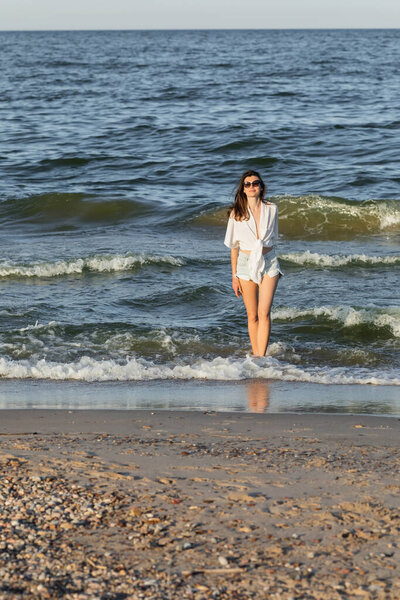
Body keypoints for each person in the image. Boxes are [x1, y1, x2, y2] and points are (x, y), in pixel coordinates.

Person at [224, 170, 283, 357]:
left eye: (255, 183)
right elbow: (233, 247)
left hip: (269, 261)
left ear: (261, 187)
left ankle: (261, 358)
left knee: (264, 312)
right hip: (245, 263)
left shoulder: (272, 209)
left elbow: (274, 237)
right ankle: (257, 356)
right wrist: (234, 276)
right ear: (243, 189)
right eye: (247, 184)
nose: (251, 187)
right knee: (252, 315)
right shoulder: (236, 214)